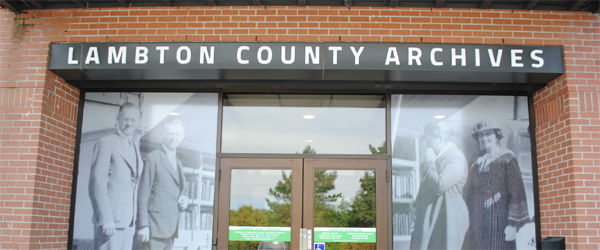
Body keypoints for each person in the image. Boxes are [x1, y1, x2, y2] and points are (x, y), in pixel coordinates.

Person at [462, 121, 531, 250]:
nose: (484, 138)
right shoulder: (476, 160)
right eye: (481, 135)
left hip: (499, 219)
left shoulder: (507, 159)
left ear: (497, 135)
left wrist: (512, 224)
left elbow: (516, 193)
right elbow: (469, 191)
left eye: (488, 134)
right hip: (478, 219)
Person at [89, 102, 144, 250]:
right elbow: (96, 184)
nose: (129, 123)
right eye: (125, 119)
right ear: (118, 118)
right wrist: (105, 219)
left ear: (138, 122)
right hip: (110, 223)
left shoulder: (134, 147)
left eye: (133, 120)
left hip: (128, 223)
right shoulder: (106, 143)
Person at [410, 121, 469, 250]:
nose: (428, 146)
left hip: (448, 220)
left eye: (430, 141)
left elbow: (439, 185)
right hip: (436, 218)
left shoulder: (456, 157)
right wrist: (418, 201)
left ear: (441, 138)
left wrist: (430, 163)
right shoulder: (441, 157)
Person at [137, 120, 189, 250]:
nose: (173, 138)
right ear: (164, 135)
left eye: (177, 134)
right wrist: (143, 225)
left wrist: (185, 200)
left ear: (182, 136)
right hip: (154, 228)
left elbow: (180, 190)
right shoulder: (153, 158)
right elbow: (143, 194)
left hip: (171, 229)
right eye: (170, 134)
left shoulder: (178, 163)